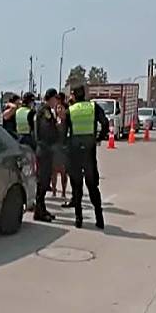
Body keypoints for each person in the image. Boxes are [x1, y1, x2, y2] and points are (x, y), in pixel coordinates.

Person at [65, 84, 110, 229]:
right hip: (89, 151)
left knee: (77, 187)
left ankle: (79, 219)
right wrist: (99, 138)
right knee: (92, 186)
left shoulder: (70, 110)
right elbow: (105, 123)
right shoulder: (93, 107)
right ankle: (99, 218)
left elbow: (64, 131)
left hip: (74, 151)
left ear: (74, 95)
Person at [33, 89, 60, 222]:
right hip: (44, 150)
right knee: (42, 182)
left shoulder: (46, 110)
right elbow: (46, 131)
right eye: (55, 98)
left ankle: (42, 208)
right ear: (51, 98)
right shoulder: (45, 111)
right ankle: (39, 211)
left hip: (46, 150)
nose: (56, 101)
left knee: (45, 181)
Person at [51, 92, 69, 197]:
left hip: (63, 145)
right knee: (54, 170)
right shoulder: (54, 116)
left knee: (63, 171)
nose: (58, 109)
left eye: (59, 107)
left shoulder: (65, 115)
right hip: (55, 145)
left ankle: (63, 192)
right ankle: (54, 190)